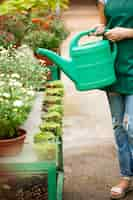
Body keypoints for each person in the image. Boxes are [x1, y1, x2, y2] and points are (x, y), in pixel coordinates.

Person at [94, 0, 133, 199]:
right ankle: (126, 176)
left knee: (132, 126)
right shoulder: (104, 0)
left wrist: (127, 33)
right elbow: (104, 24)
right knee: (119, 127)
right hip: (114, 68)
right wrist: (100, 30)